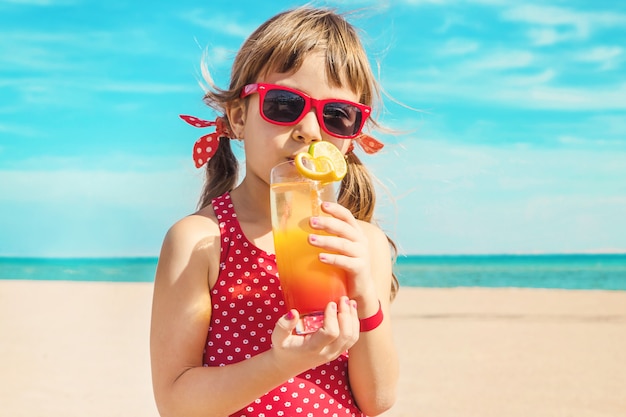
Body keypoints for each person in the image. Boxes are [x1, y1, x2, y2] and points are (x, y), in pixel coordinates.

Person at [150, 6, 399, 417]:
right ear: (238, 117)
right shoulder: (201, 241)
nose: (310, 130)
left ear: (351, 140)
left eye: (337, 115)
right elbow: (176, 404)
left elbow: (380, 399)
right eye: (284, 105)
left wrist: (363, 294)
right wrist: (282, 363)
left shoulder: (360, 244)